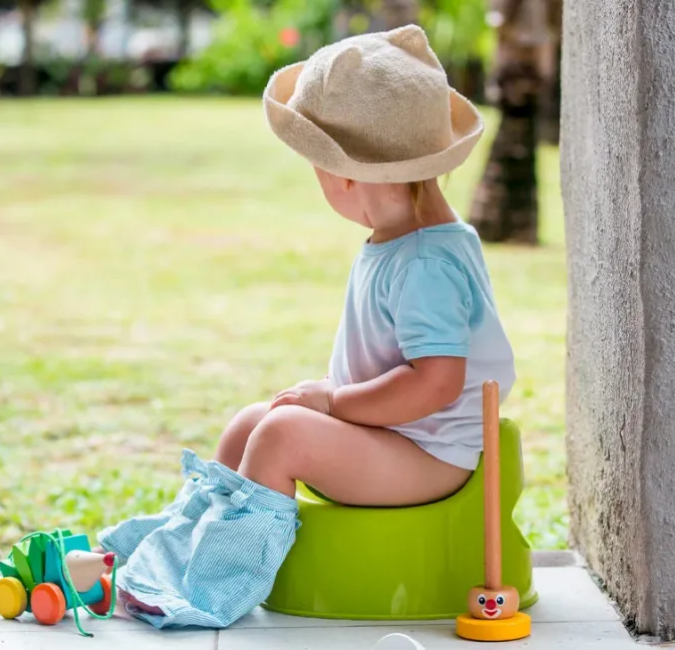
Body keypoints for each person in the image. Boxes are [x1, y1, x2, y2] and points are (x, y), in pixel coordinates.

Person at [95, 24, 516, 629]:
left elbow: (437, 385)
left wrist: (336, 402)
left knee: (284, 435)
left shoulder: (424, 261)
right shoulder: (408, 239)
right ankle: (179, 548)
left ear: (347, 177)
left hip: (431, 456)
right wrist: (336, 404)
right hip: (400, 437)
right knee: (253, 421)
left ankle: (212, 589)